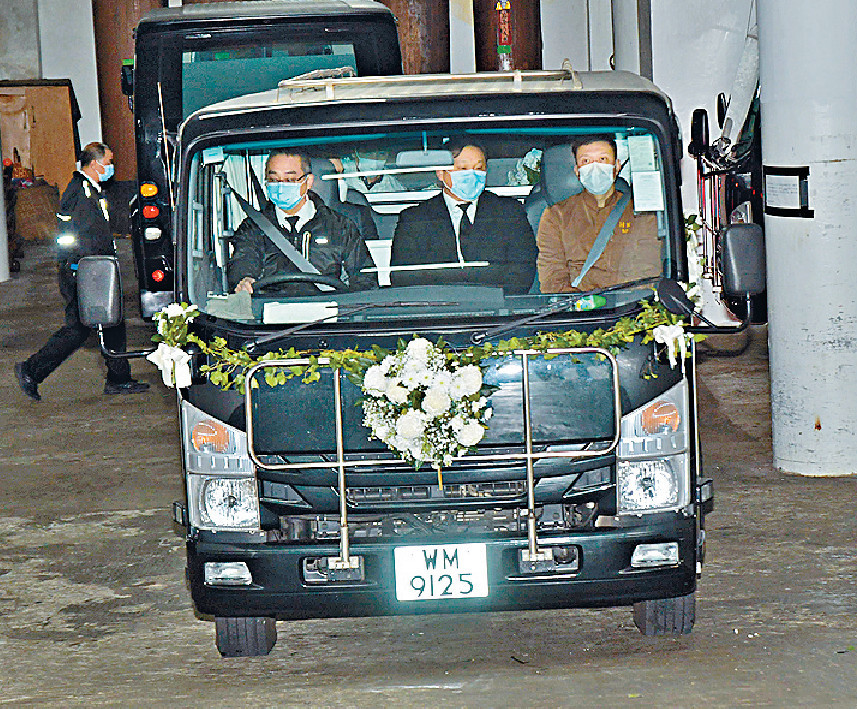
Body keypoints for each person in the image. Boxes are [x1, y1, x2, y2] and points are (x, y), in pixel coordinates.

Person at [15, 142, 149, 400]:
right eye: (109, 162)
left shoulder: (92, 190)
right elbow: (83, 237)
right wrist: (90, 269)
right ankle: (31, 370)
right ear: (96, 164)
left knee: (113, 321)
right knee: (77, 329)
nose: (111, 167)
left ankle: (118, 378)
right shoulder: (81, 192)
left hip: (94, 269)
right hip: (83, 272)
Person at [389, 143, 536, 294]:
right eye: (463, 169)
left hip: (499, 309)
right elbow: (403, 279)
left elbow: (522, 272)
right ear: (441, 172)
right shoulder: (414, 220)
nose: (472, 175)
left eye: (479, 169)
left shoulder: (509, 212)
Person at [228, 150, 376, 295]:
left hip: (328, 312)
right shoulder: (253, 227)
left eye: (290, 179)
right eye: (273, 179)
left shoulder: (340, 227)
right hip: (270, 313)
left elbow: (365, 279)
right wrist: (245, 280)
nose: (281, 185)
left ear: (308, 181)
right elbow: (244, 262)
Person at [536, 135, 661, 293]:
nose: (595, 168)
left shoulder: (641, 212)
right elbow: (552, 276)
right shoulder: (556, 216)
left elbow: (648, 270)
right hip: (580, 310)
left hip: (627, 308)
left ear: (616, 167)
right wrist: (580, 305)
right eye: (586, 161)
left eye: (603, 159)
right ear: (577, 171)